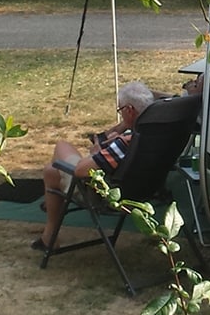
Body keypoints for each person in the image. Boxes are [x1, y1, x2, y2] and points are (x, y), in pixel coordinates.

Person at [32, 80, 156, 251]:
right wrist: (123, 128)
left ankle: (50, 225)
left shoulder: (126, 143)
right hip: (147, 187)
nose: (120, 115)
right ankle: (48, 236)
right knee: (50, 172)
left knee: (61, 148)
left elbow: (80, 170)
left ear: (129, 110)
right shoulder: (155, 134)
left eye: (121, 111)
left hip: (104, 193)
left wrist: (97, 152)